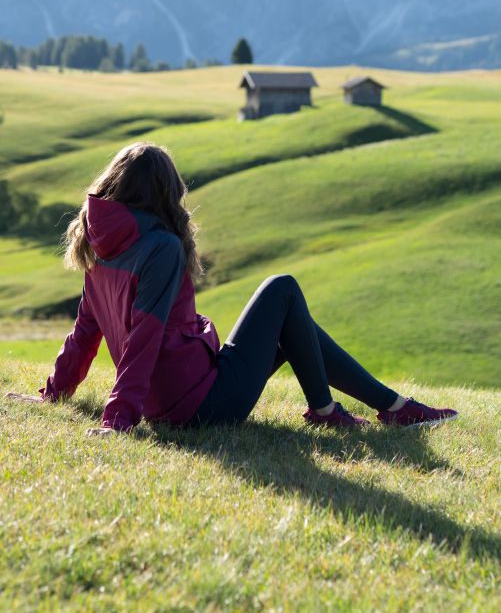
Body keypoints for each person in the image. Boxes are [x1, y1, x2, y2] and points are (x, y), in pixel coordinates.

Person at [35, 142, 458, 436]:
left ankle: (385, 408)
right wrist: (118, 419)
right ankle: (344, 410)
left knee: (292, 324)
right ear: (165, 193)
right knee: (282, 289)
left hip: (173, 399)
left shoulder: (102, 244)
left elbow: (84, 332)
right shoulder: (159, 247)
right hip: (196, 406)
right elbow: (143, 339)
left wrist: (54, 394)